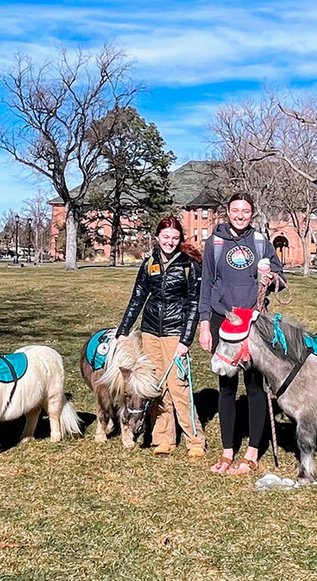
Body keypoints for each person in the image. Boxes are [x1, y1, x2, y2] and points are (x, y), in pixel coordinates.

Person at [197, 193, 284, 475]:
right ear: (228, 212)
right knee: (226, 386)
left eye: (245, 211)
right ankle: (227, 451)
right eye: (235, 210)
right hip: (224, 320)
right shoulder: (215, 243)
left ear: (252, 214)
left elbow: (281, 277)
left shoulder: (260, 242)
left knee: (256, 386)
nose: (240, 215)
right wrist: (203, 324)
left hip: (254, 320)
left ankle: (252, 452)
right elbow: (207, 284)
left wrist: (272, 279)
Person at [115, 216, 205, 458]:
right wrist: (123, 331)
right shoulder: (148, 264)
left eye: (175, 238)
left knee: (179, 387)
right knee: (157, 387)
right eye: (166, 237)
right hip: (151, 331)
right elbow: (137, 298)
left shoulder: (189, 265)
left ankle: (194, 440)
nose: (170, 242)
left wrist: (186, 340)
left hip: (176, 332)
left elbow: (195, 305)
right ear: (157, 237)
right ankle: (163, 438)